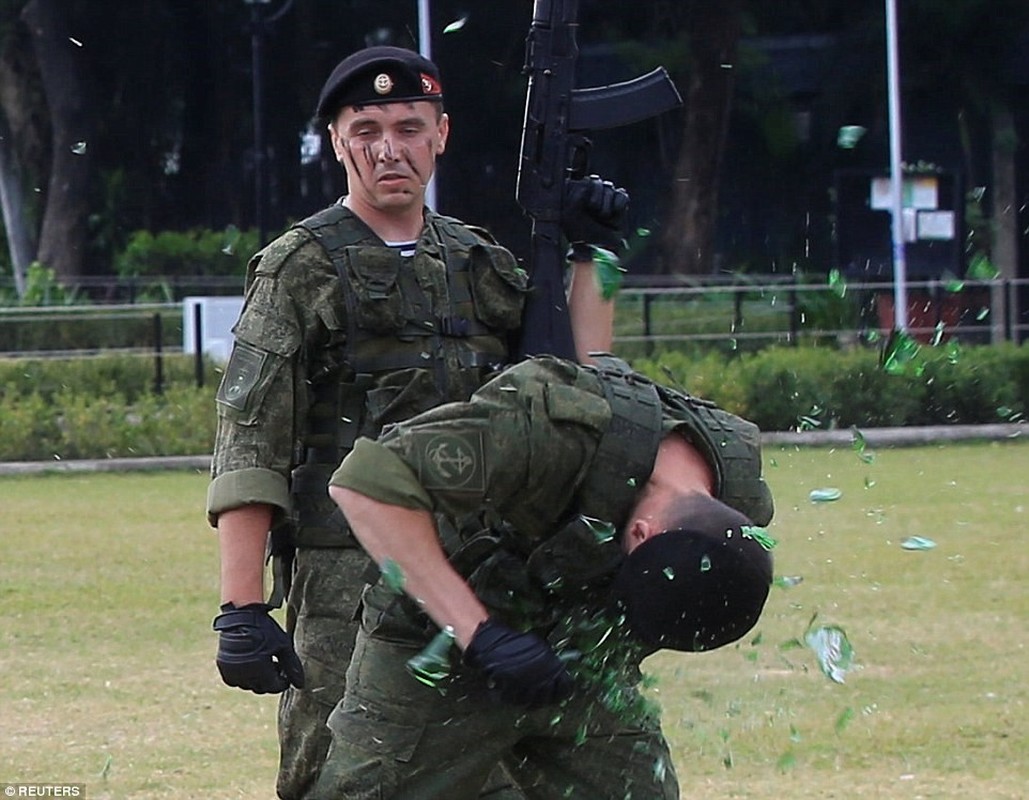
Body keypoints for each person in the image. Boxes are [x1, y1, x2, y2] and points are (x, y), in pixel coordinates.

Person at [206, 45, 629, 799]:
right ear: (336, 143)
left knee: (489, 770)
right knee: (339, 771)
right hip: (347, 577)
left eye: (408, 126)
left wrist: (592, 251)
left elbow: (578, 380)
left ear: (441, 135)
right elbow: (250, 436)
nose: (387, 148)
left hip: (478, 567)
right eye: (364, 128)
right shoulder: (298, 267)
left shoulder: (478, 261)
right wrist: (241, 608)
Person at [318, 353, 777, 798]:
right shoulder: (551, 430)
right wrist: (479, 634)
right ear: (641, 533)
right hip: (439, 643)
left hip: (583, 665)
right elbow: (365, 485)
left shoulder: (742, 497)